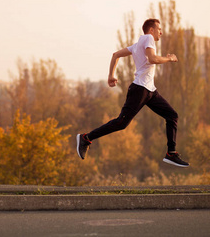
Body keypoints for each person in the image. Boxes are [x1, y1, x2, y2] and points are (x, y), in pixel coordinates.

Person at [76, 18, 189, 167]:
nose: (161, 32)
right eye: (159, 29)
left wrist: (111, 75)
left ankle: (171, 153)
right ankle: (86, 138)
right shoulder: (148, 38)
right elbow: (152, 58)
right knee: (121, 123)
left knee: (172, 115)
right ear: (151, 30)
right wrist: (169, 59)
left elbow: (115, 55)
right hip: (140, 90)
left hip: (150, 91)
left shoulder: (136, 46)